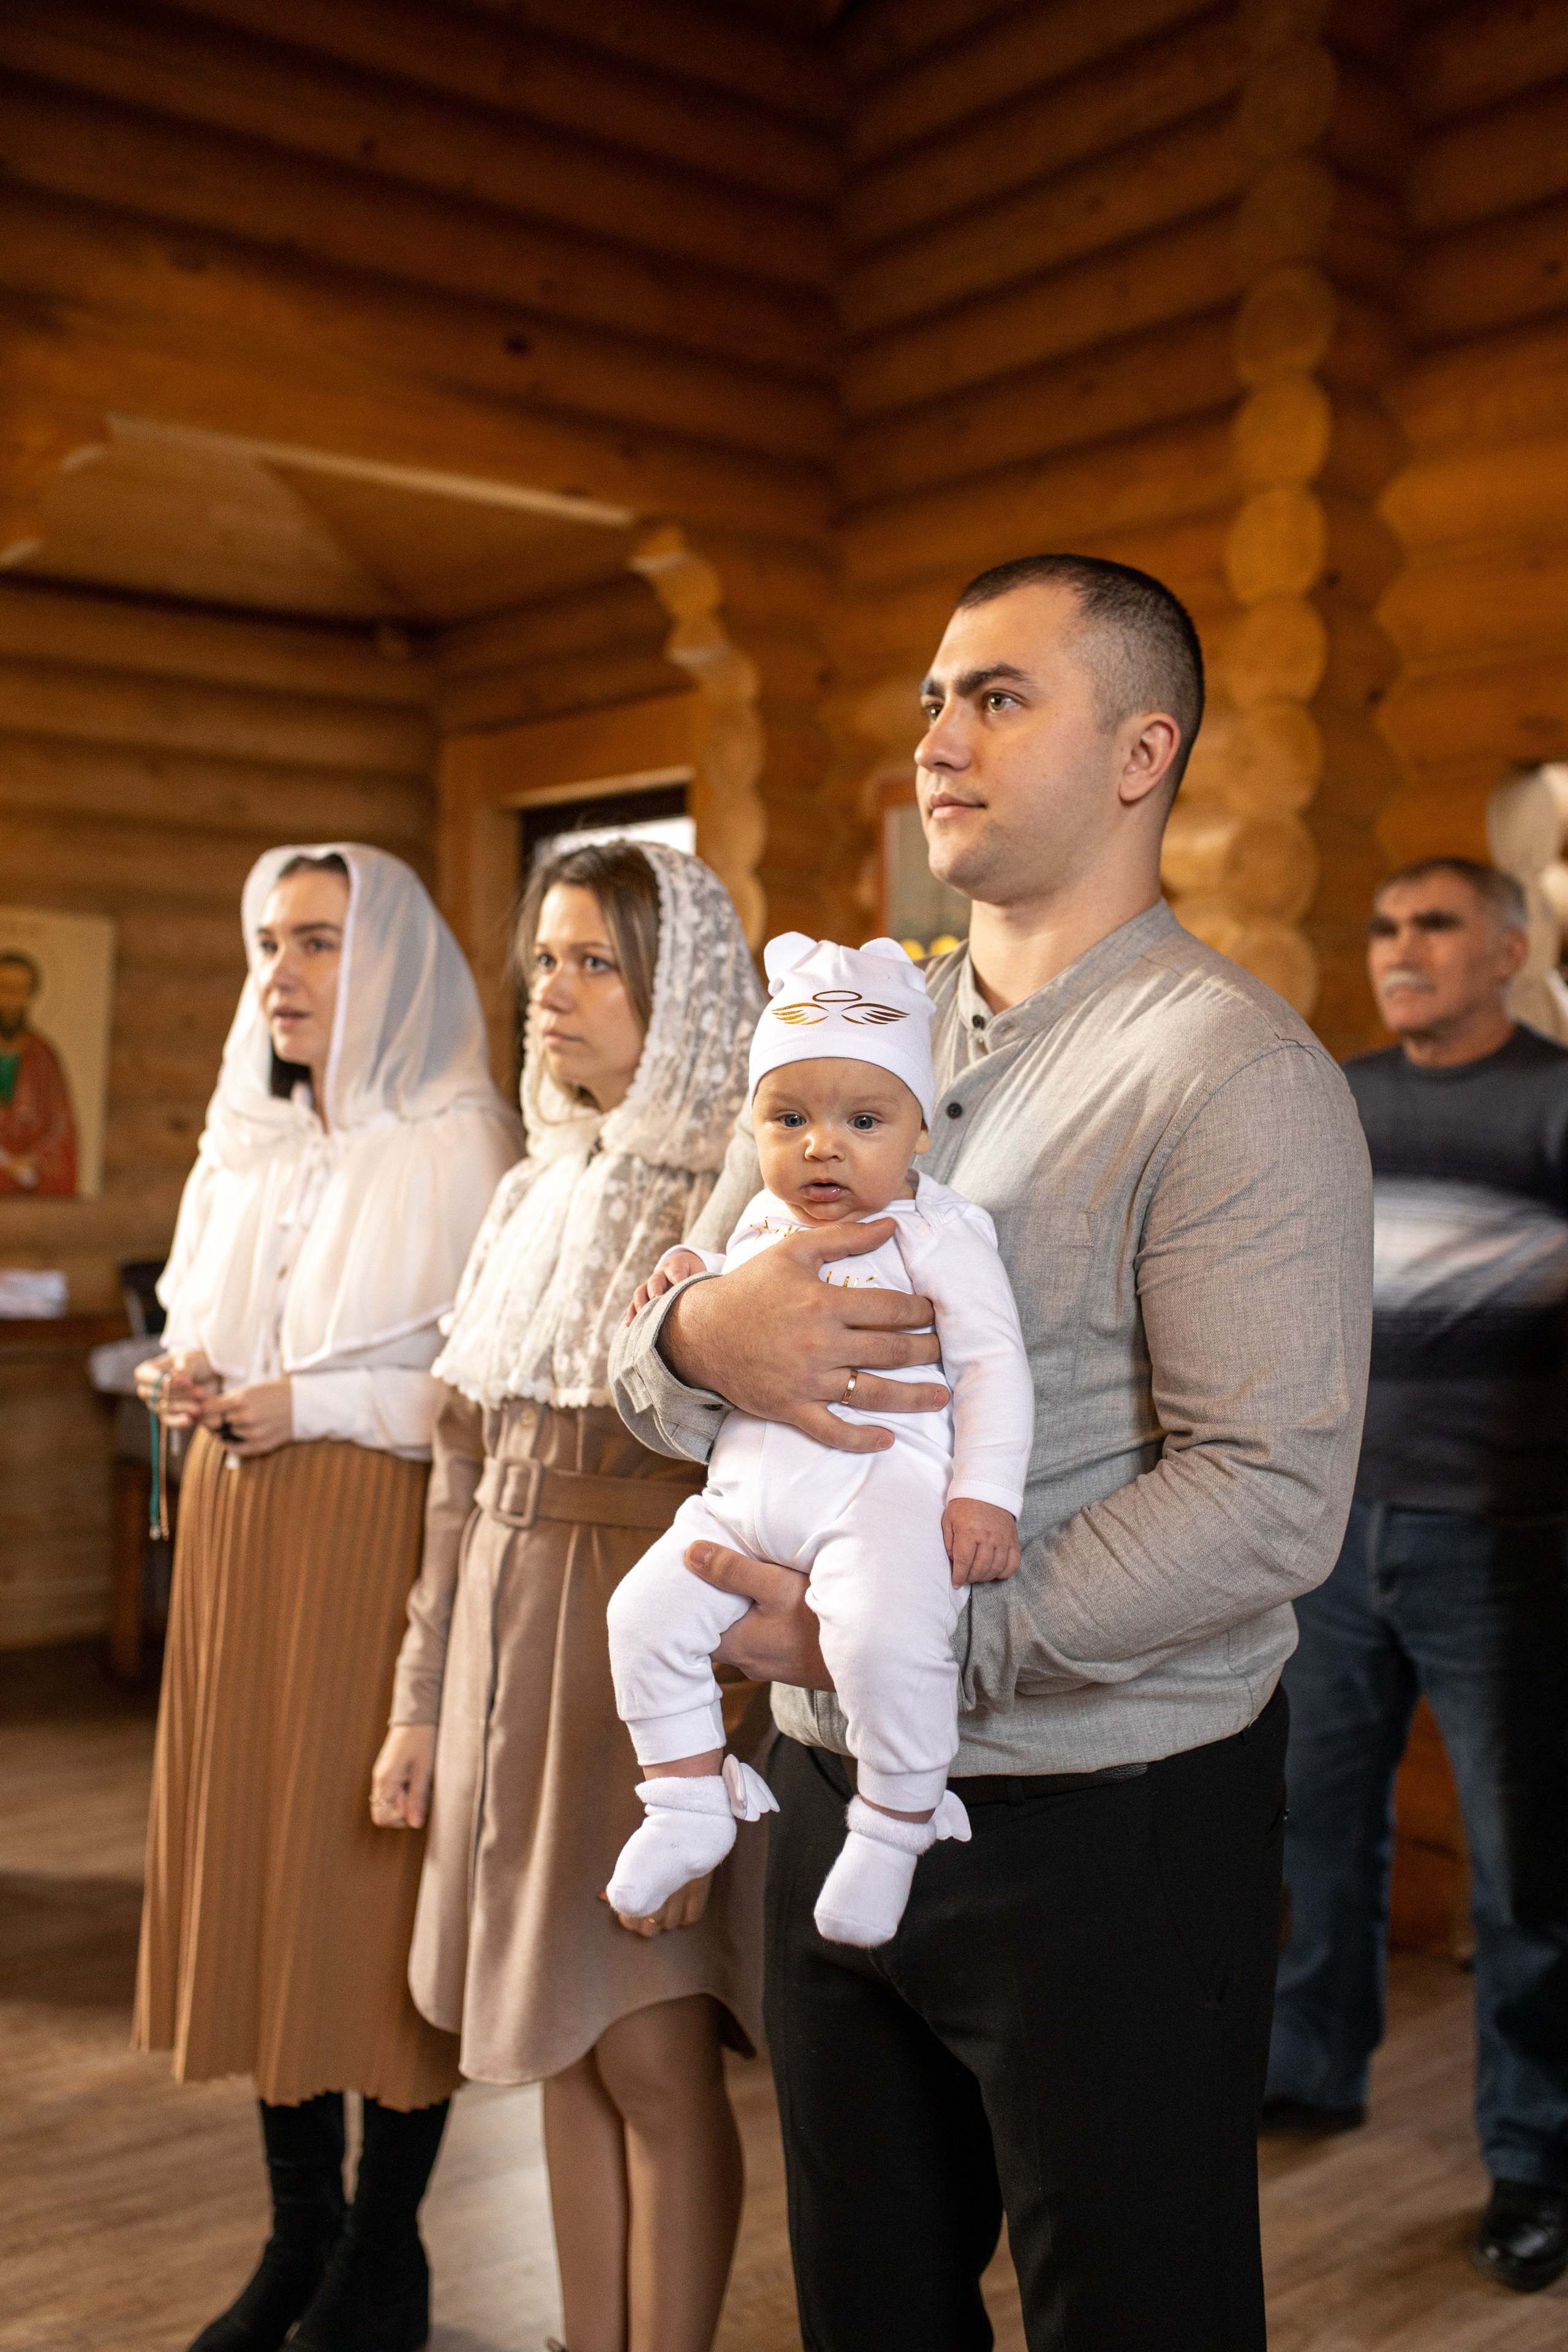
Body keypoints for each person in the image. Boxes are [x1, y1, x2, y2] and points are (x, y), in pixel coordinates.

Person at [610, 554, 1374, 2352]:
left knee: (1132, 2310)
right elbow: (658, 1345)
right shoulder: (852, 1032)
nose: (937, 738)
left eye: (998, 697)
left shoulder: (1228, 1072)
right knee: (867, 2300)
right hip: (825, 1784)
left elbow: (1267, 1495)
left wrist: (912, 1638)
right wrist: (692, 1337)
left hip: (1103, 1815)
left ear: (1139, 752)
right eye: (932, 699)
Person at [370, 840, 767, 2352]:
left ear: (678, 994)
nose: (552, 989)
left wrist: (713, 1741)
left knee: (650, 2048)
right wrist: (420, 1702)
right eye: (544, 958)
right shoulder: (537, 1189)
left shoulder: (728, 1201)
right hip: (505, 1644)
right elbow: (457, 1475)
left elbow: (765, 1496)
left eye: (594, 961)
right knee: (554, 2035)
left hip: (640, 1661)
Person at [134, 844, 519, 2352]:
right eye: (267, 943)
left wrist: (316, 1404)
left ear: (397, 965)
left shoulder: (464, 1144)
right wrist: (193, 1373)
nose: (281, 974)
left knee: (367, 1891)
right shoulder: (255, 1139)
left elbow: (482, 1399)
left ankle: (382, 2248)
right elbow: (218, 1318)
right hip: (239, 1537)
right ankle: (298, 2238)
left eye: (317, 943)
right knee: (262, 1879)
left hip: (379, 1539)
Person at [1265, 857, 1568, 2293]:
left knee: (1524, 1871)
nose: (1399, 948)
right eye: (1384, 925)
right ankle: (1307, 2068)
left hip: (1503, 1541)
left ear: (1506, 949)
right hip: (1330, 1537)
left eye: (1433, 924)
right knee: (1314, 1830)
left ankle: (1534, 2157)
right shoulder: (1336, 1097)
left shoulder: (1552, 1100)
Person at [607, 930, 1032, 1950]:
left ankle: (892, 1823)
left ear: (920, 1127)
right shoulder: (760, 1219)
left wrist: (986, 1494)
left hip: (877, 1493)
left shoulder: (941, 1235)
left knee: (886, 1640)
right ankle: (685, 1799)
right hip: (739, 1504)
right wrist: (690, 1281)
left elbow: (994, 1365)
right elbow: (721, 1300)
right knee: (641, 1617)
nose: (821, 1147)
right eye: (788, 1119)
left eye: (863, 1121)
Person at [0, 948, 77, 1194]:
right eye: (4, 988)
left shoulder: (42, 1057)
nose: (10, 1000)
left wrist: (32, 1160)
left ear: (31, 995)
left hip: (27, 1183)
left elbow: (61, 1128)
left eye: (19, 990)